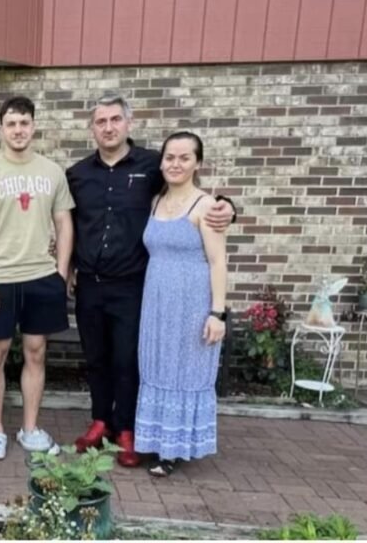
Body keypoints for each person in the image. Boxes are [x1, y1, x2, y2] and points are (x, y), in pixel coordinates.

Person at [66, 94, 235, 467]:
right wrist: (69, 268)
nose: (108, 127)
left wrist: (227, 207)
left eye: (115, 119)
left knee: (128, 359)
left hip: (133, 285)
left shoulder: (151, 166)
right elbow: (68, 223)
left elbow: (188, 190)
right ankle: (100, 421)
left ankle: (126, 429)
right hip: (90, 283)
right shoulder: (77, 174)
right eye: (100, 121)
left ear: (128, 123)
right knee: (96, 358)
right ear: (92, 127)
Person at [0, 96, 75, 461]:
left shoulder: (52, 172)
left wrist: (60, 273)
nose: (18, 130)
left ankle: (29, 428)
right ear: (1, 128)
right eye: (11, 123)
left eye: (24, 123)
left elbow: (64, 223)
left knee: (36, 352)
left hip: (41, 276)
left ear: (33, 126)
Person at [134, 132, 227, 477]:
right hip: (156, 301)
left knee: (184, 372)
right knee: (157, 367)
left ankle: (173, 449)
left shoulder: (206, 207)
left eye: (184, 158)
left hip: (191, 302)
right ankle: (156, 440)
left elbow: (218, 262)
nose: (176, 164)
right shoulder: (155, 201)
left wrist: (217, 313)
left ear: (197, 163)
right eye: (170, 157)